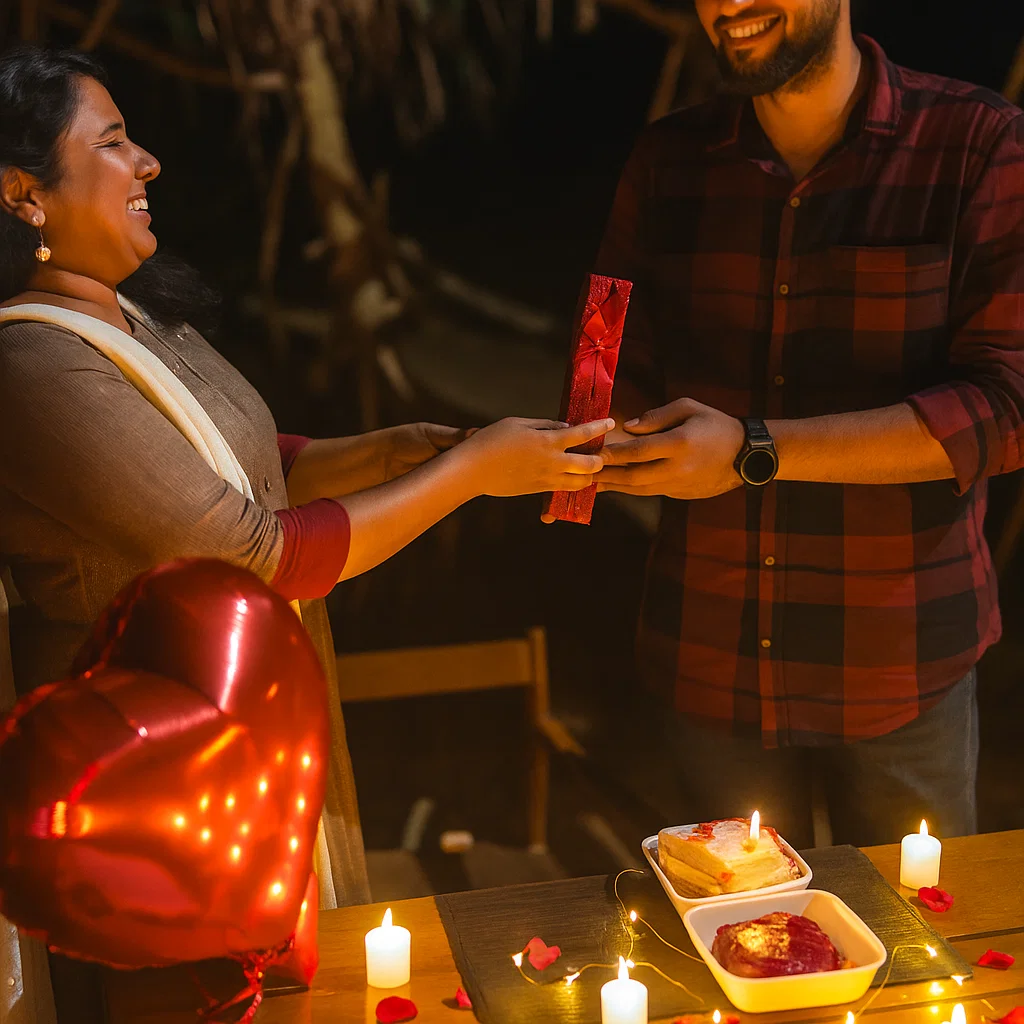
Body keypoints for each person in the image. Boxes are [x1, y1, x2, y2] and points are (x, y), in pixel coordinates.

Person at [0, 44, 611, 1021]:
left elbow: (250, 463)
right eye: (112, 142)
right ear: (24, 194)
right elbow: (251, 553)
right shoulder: (33, 364)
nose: (148, 162)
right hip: (151, 800)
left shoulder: (137, 319)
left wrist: (404, 449)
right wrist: (470, 476)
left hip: (237, 755)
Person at [593, 0, 1024, 848]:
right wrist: (580, 446)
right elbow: (604, 368)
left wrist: (753, 451)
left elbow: (1006, 408)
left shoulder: (977, 143)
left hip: (899, 659)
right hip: (710, 654)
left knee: (915, 925)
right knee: (731, 925)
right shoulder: (667, 161)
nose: (728, 5)